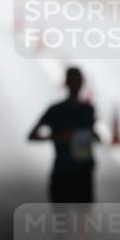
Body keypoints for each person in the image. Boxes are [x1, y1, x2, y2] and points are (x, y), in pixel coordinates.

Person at [28, 67, 98, 203]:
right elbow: (32, 135)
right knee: (62, 218)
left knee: (81, 218)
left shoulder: (88, 110)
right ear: (67, 83)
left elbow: (93, 136)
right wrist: (57, 137)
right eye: (73, 81)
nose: (75, 85)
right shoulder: (56, 110)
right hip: (63, 170)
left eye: (77, 81)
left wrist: (92, 136)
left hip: (83, 171)